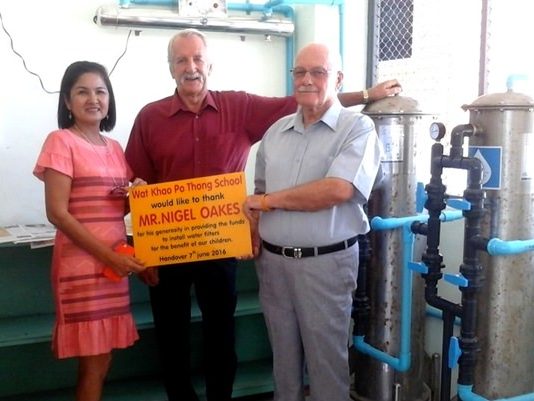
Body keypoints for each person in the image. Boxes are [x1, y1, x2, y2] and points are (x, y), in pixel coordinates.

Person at [124, 28, 399, 401]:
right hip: (169, 247)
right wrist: (140, 237)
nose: (191, 67)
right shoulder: (150, 117)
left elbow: (304, 99)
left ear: (209, 64)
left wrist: (365, 96)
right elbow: (134, 182)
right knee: (171, 338)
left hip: (221, 245)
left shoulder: (239, 108)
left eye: (198, 58)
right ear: (171, 68)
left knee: (221, 335)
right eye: (181, 60)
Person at [242, 42, 382, 401]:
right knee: (283, 363)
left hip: (326, 265)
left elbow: (338, 189)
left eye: (318, 72)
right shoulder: (275, 133)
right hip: (272, 264)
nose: (307, 80)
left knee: (326, 364)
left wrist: (268, 202)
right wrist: (253, 229)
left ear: (338, 79)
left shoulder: (358, 128)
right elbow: (259, 193)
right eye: (300, 72)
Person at [33, 61, 146, 401]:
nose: (93, 99)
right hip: (83, 268)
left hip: (113, 268)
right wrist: (109, 257)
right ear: (67, 102)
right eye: (82, 92)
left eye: (100, 91)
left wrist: (137, 195)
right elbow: (58, 213)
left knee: (103, 359)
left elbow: (114, 209)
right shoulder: (60, 141)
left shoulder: (115, 148)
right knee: (93, 363)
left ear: (109, 99)